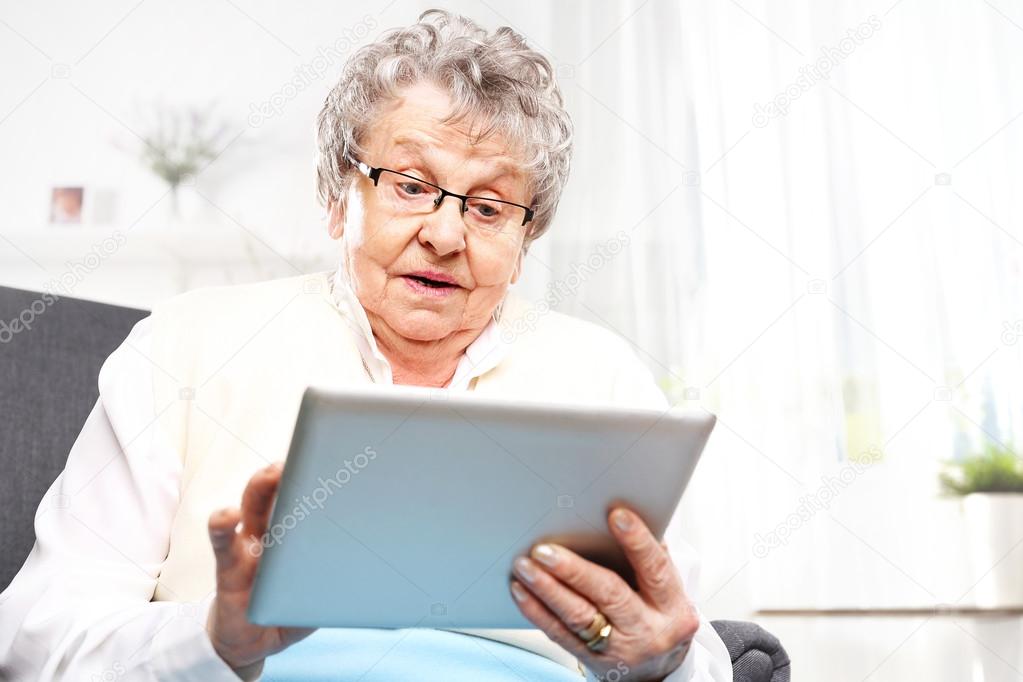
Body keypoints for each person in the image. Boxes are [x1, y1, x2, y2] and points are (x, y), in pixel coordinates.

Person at [0, 10, 731, 681]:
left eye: (488, 206)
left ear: (524, 237)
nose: (446, 236)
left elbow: (686, 643)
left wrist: (659, 662)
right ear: (335, 196)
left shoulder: (601, 376)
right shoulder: (182, 347)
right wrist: (216, 638)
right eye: (410, 185)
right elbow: (36, 640)